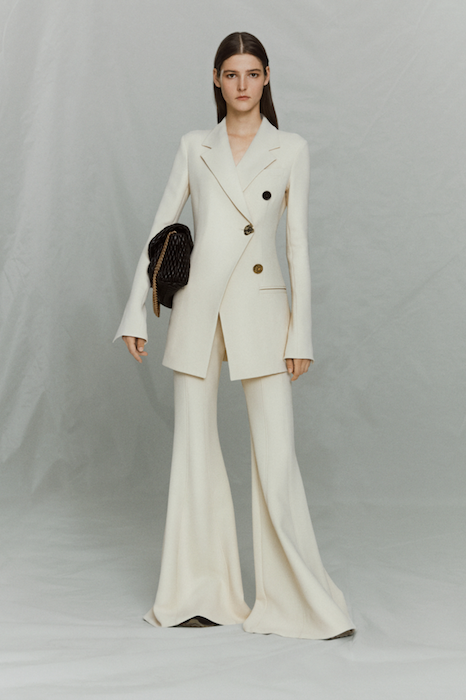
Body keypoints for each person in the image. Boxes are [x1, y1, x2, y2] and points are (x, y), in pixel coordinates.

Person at [114, 32, 355, 640]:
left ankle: (300, 602)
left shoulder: (291, 148)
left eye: (252, 73)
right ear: (216, 80)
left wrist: (301, 333)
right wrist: (135, 311)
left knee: (276, 456)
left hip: (261, 309)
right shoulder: (194, 145)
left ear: (267, 77)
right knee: (193, 450)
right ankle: (199, 594)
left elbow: (297, 245)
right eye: (231, 74)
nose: (242, 85)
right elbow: (162, 228)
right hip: (198, 306)